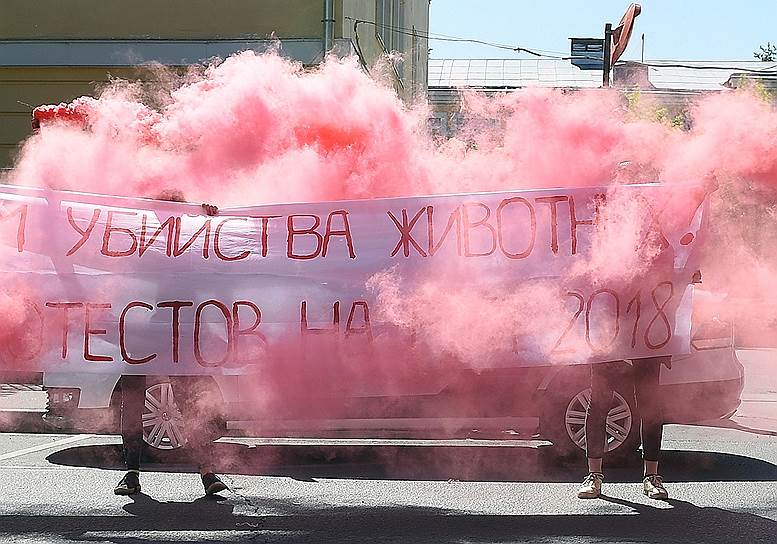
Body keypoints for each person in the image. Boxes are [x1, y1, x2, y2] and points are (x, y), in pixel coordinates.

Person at [114, 193, 226, 496]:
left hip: (178, 333)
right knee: (135, 400)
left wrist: (208, 220)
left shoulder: (192, 243)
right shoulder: (143, 243)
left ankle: (206, 471)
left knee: (189, 402)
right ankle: (133, 472)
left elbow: (217, 258)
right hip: (151, 332)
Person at [577, 356, 670, 500]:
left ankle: (651, 477)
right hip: (609, 344)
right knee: (598, 402)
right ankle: (594, 476)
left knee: (650, 405)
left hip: (644, 345)